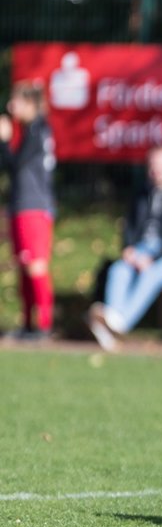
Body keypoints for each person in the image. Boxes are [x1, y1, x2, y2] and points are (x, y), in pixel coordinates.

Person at [87, 145, 162, 351]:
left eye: (161, 167)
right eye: (153, 166)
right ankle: (111, 328)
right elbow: (129, 226)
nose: (156, 172)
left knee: (151, 274)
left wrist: (153, 258)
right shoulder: (142, 191)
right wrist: (129, 249)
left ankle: (118, 324)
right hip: (141, 250)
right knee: (118, 270)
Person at [0, 82, 57, 340]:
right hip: (22, 205)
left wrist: (3, 141)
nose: (11, 107)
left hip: (33, 206)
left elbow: (13, 164)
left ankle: (44, 325)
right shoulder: (33, 130)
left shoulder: (37, 131)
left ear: (30, 104)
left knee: (36, 265)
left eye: (16, 102)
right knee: (24, 265)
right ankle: (28, 324)